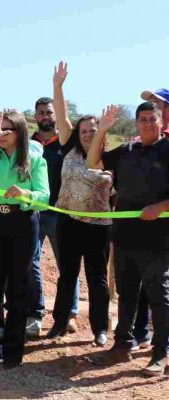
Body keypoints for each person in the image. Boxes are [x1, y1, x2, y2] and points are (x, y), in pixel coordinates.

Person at [88, 101, 169, 377]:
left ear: (161, 122)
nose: (147, 123)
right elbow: (92, 161)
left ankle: (160, 353)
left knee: (159, 297)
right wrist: (103, 130)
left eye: (152, 119)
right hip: (124, 237)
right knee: (126, 294)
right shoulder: (126, 151)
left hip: (159, 240)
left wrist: (160, 207)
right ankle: (122, 346)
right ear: (136, 123)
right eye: (142, 119)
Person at [0, 111, 49, 369]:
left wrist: (26, 194)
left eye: (7, 130)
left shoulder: (35, 159)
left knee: (18, 285)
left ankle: (13, 351)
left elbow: (44, 197)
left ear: (19, 132)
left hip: (23, 223)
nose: (2, 134)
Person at [46, 62, 111, 346]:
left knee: (97, 280)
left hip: (98, 227)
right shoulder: (69, 147)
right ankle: (60, 323)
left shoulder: (112, 157)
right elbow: (61, 117)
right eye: (83, 130)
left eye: (92, 130)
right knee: (67, 277)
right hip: (68, 222)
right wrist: (58, 87)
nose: (86, 134)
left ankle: (100, 329)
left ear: (101, 133)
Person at [27, 96, 78, 337]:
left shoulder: (66, 143)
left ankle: (70, 313)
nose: (45, 116)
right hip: (34, 212)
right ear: (35, 116)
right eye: (41, 113)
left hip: (60, 213)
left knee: (67, 265)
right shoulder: (27, 144)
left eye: (49, 112)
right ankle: (35, 314)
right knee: (30, 264)